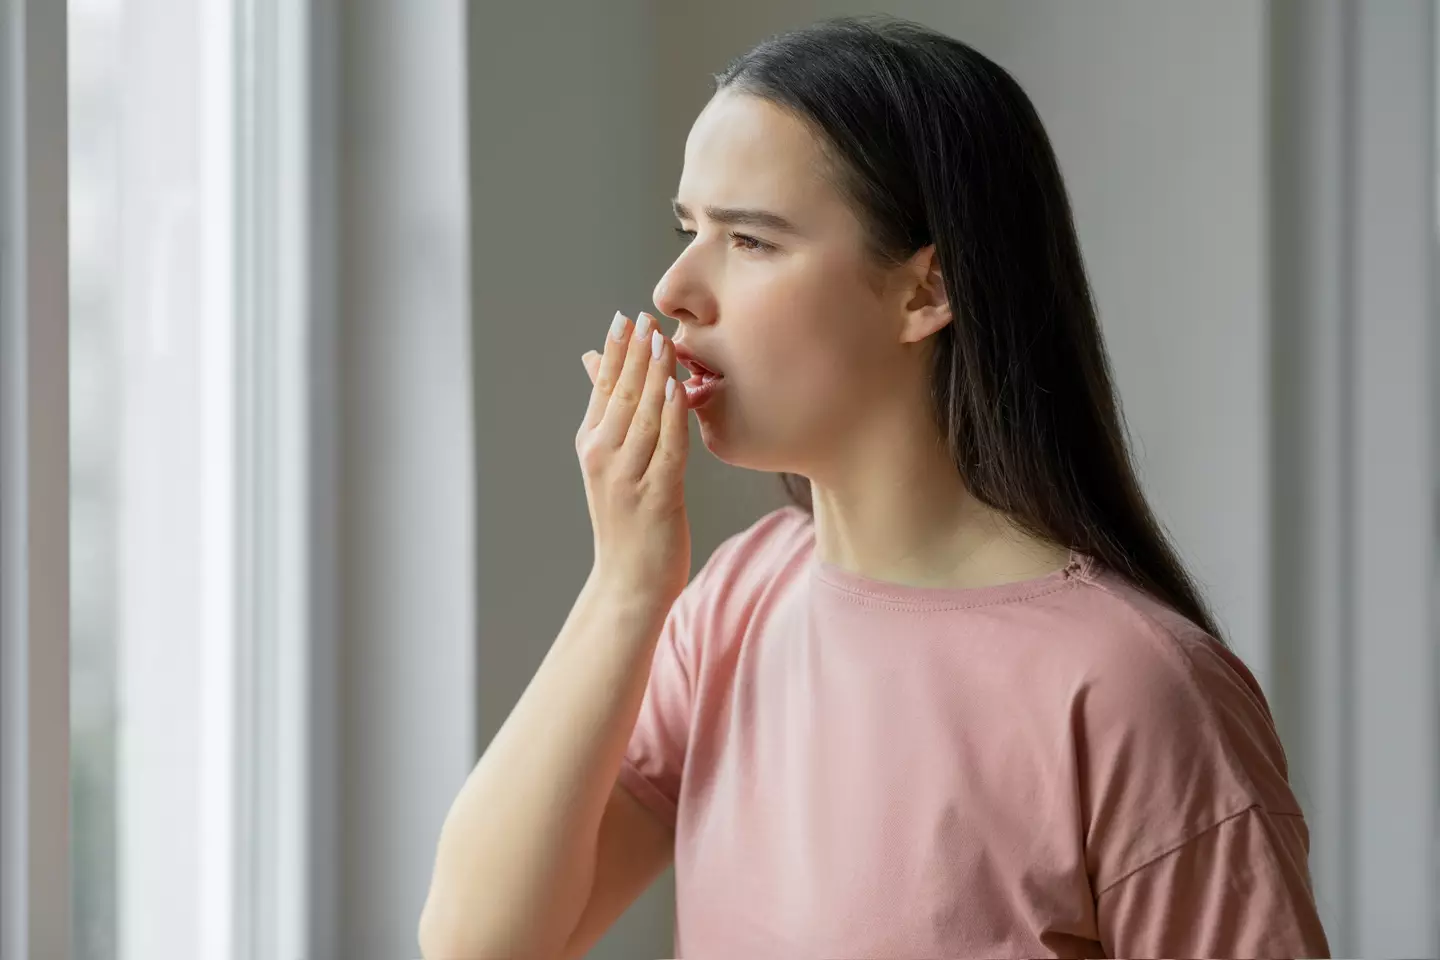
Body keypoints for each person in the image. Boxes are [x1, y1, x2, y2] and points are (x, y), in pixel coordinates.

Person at [419, 14, 1330, 959]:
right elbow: (479, 944)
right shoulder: (732, 605)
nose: (675, 288)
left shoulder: (1135, 691)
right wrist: (625, 584)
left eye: (752, 240)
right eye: (690, 228)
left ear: (925, 293)